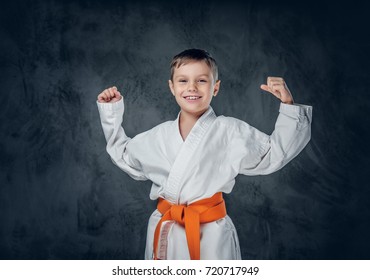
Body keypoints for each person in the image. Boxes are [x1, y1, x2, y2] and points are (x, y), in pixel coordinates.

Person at [96, 49, 312, 260]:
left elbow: (273, 153)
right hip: (166, 229)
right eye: (183, 81)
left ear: (215, 88)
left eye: (201, 80)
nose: (192, 87)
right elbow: (124, 154)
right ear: (171, 87)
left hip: (211, 234)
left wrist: (288, 106)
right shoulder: (158, 136)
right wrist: (111, 114)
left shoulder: (229, 131)